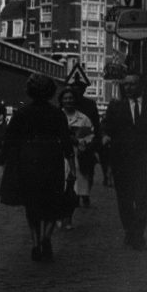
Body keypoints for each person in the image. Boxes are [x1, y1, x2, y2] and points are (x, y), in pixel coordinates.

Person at [0, 74, 73, 262]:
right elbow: (66, 141)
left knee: (32, 204)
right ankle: (46, 237)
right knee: (52, 202)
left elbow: (10, 138)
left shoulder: (22, 113)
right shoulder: (58, 113)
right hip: (51, 157)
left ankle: (35, 243)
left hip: (28, 158)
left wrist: (5, 160)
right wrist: (71, 165)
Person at [102, 73, 147, 250]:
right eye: (126, 85)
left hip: (145, 163)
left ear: (141, 86)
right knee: (125, 200)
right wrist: (105, 137)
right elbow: (107, 129)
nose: (128, 88)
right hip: (122, 163)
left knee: (143, 199)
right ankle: (129, 229)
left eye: (132, 84)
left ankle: (137, 233)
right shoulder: (116, 107)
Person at [58, 87, 93, 230]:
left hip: (76, 157)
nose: (68, 101)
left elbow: (90, 135)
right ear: (61, 100)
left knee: (73, 189)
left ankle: (69, 217)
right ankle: (60, 215)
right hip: (58, 156)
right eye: (65, 98)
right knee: (60, 187)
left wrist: (84, 141)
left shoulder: (83, 118)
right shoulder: (56, 116)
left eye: (71, 98)